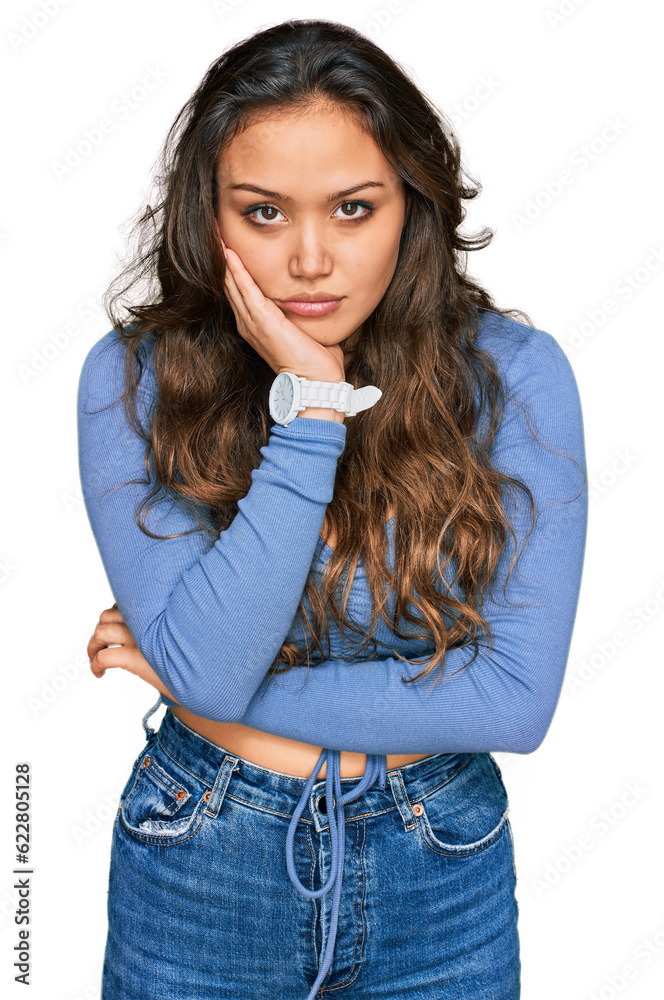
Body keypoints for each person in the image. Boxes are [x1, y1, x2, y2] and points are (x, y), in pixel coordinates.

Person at [77, 18, 587, 1000]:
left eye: (353, 208)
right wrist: (312, 405)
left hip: (439, 862)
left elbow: (514, 703)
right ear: (208, 215)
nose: (310, 258)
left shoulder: (515, 380)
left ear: (412, 206)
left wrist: (209, 688)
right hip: (201, 855)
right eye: (263, 212)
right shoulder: (134, 382)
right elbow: (210, 663)